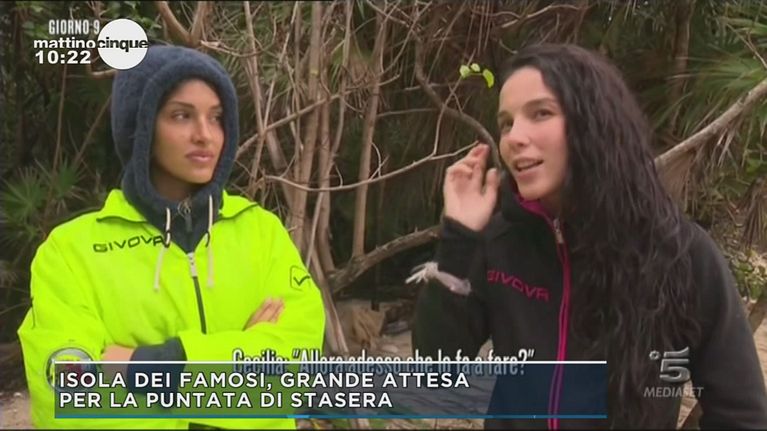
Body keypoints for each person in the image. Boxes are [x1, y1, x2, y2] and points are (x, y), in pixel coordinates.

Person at [412, 43, 767, 429]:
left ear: (593, 121)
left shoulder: (681, 253)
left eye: (540, 113)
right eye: (506, 123)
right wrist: (459, 238)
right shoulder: (499, 241)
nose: (514, 136)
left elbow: (741, 412)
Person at [17, 45, 325, 429]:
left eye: (217, 118)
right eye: (182, 115)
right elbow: (67, 395)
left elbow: (294, 371)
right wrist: (237, 366)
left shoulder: (263, 233)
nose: (205, 135)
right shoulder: (70, 252)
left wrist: (141, 367)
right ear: (141, 126)